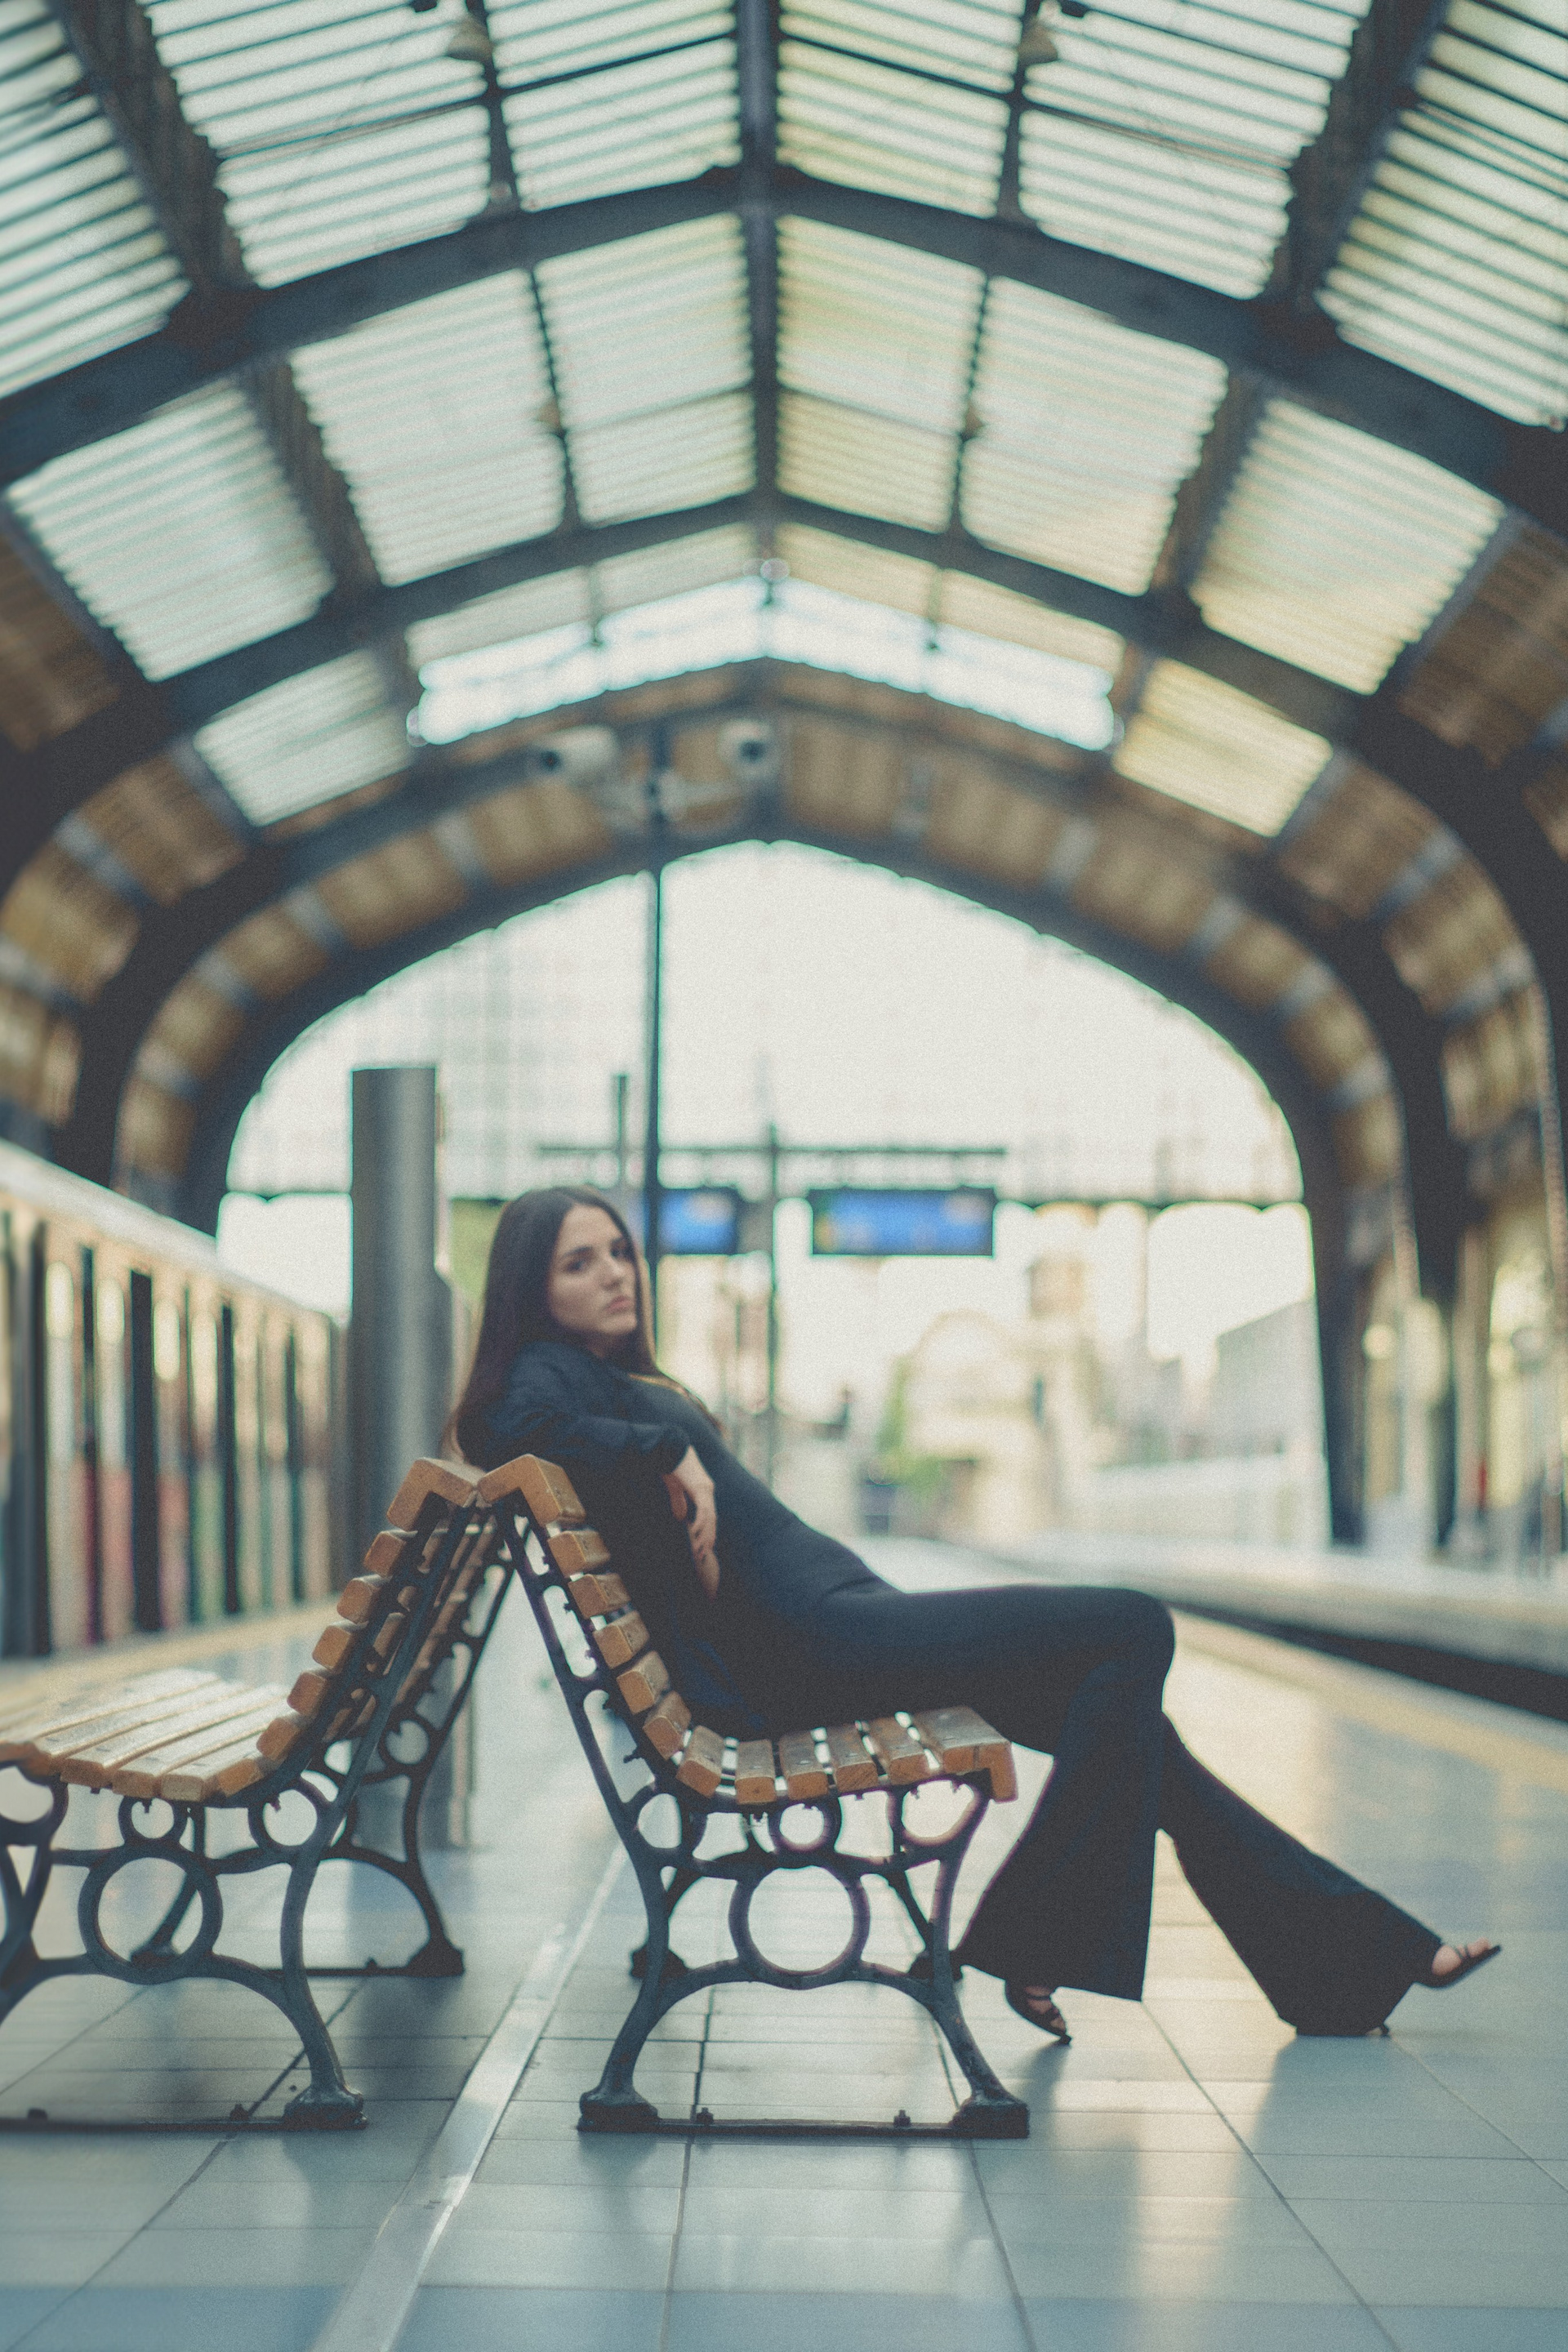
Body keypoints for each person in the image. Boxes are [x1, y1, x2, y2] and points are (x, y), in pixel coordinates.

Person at [452, 1186, 1499, 2041]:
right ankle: (1045, 1938)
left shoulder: (594, 1376)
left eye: (620, 1253)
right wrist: (668, 1448)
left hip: (841, 1626)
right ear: (530, 1291)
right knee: (1136, 1625)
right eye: (579, 1263)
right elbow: (498, 1421)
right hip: (821, 1644)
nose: (615, 1274)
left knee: (1122, 1711)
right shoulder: (548, 1375)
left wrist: (664, 1445)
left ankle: (1357, 1960)